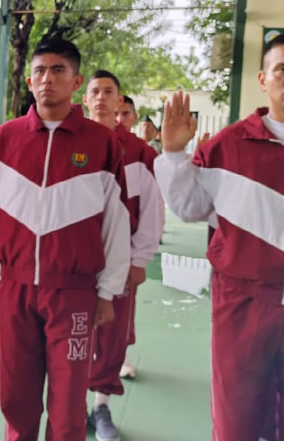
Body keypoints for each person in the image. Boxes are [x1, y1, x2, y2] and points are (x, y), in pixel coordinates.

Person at [0, 38, 131, 441]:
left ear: (76, 80)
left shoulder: (101, 144)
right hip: (15, 289)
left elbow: (116, 226)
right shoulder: (4, 138)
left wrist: (107, 292)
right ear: (30, 81)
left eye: (59, 70)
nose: (48, 79)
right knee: (16, 397)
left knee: (67, 407)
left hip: (74, 293)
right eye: (40, 71)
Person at [154, 31, 284, 441]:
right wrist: (174, 155)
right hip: (242, 307)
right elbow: (189, 208)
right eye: (283, 68)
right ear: (263, 79)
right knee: (236, 425)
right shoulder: (227, 147)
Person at [83, 70, 163, 441]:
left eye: (109, 92)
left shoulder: (140, 153)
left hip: (119, 262)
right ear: (84, 99)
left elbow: (151, 212)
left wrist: (138, 259)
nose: (101, 97)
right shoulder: (68, 140)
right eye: (95, 91)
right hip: (72, 262)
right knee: (71, 334)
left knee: (110, 337)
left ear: (120, 103)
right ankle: (68, 407)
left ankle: (100, 407)